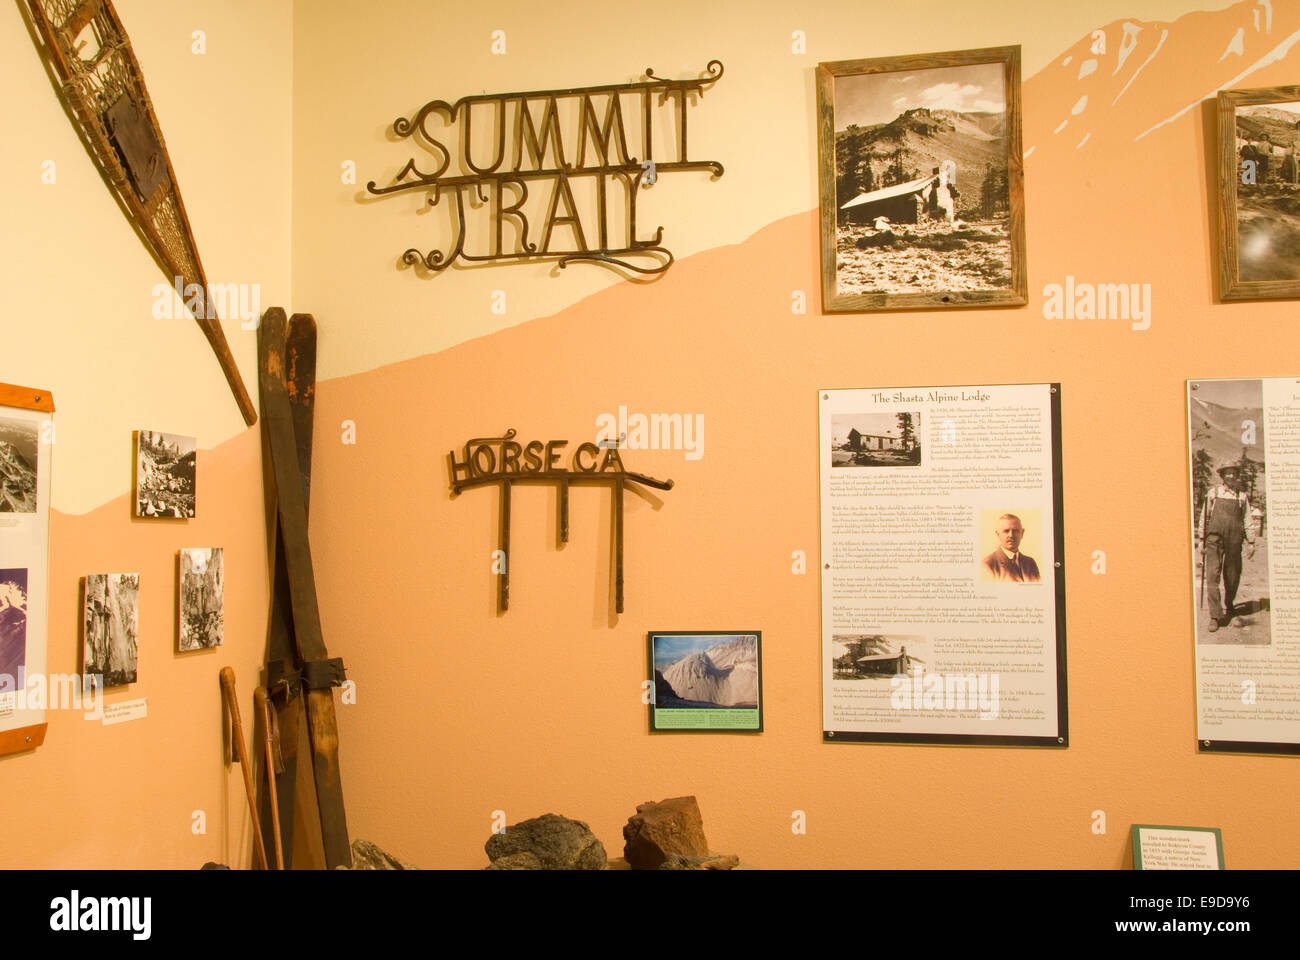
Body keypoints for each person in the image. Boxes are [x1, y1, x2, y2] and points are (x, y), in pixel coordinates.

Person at [1200, 464, 1255, 632]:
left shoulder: (1242, 497)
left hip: (1234, 540)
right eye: (1228, 473)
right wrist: (1202, 540)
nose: (1231, 476)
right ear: (1222, 476)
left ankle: (1229, 604)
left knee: (1232, 576)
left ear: (1236, 476)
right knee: (1212, 575)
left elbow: (1247, 520)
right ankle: (1215, 616)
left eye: (1234, 473)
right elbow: (1204, 517)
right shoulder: (1213, 494)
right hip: (1214, 539)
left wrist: (1251, 542)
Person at [982, 513, 1041, 582]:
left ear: (1022, 533)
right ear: (998, 534)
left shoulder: (1030, 563)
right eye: (1006, 531)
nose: (1011, 535)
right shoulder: (988, 564)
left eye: (1015, 531)